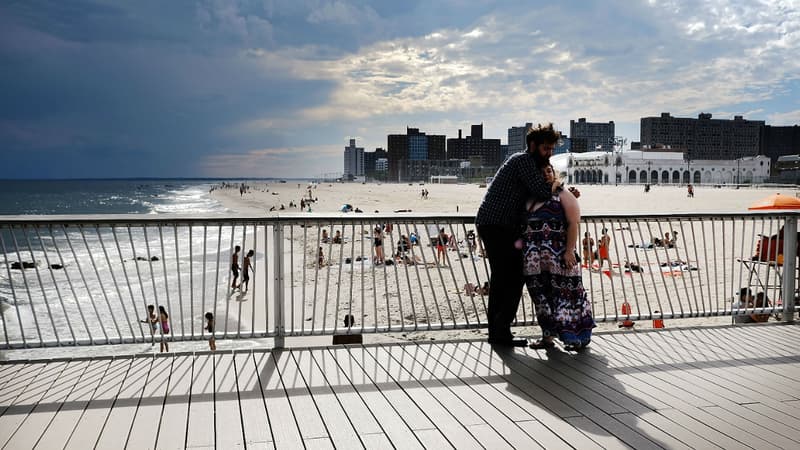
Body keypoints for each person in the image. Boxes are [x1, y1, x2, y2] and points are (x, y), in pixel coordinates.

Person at [475, 123, 575, 347]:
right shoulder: (522, 161)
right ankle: (499, 333)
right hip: (495, 224)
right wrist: (558, 185)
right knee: (508, 278)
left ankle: (499, 332)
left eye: (551, 149)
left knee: (506, 278)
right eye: (545, 149)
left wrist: (561, 191)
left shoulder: (527, 162)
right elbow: (541, 191)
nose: (549, 153)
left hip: (502, 226)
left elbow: (541, 194)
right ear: (532, 145)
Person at [524, 164, 595, 350]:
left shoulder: (563, 194)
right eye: (541, 171)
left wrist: (570, 250)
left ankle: (577, 337)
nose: (546, 174)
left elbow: (573, 223)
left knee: (568, 296)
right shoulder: (528, 196)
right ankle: (547, 337)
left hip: (560, 256)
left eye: (549, 170)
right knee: (541, 298)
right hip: (534, 259)